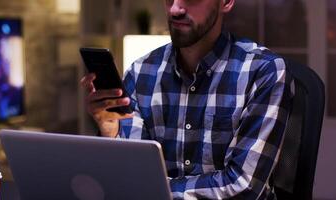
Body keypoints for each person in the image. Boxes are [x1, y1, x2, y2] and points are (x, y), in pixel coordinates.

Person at [81, 0, 294, 199]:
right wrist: (111, 133)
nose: (175, 9)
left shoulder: (263, 71)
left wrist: (156, 189)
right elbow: (132, 172)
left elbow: (243, 186)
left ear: (226, 2)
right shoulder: (141, 72)